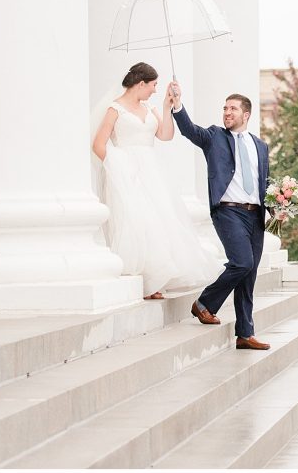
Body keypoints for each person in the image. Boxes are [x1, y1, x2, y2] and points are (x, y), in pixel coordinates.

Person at [92, 63, 224, 300]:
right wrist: (119, 166)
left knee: (159, 220)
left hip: (152, 172)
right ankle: (144, 279)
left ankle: (156, 278)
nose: (155, 90)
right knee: (138, 221)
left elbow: (165, 135)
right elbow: (99, 145)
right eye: (153, 85)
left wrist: (166, 106)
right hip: (125, 171)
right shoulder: (115, 109)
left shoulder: (150, 108)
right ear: (141, 83)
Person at [170, 81, 272, 350]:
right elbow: (190, 131)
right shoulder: (215, 137)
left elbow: (265, 181)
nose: (227, 112)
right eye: (225, 108)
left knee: (248, 274)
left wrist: (278, 207)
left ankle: (245, 334)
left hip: (255, 215)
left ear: (246, 114)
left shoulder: (260, 146)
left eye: (233, 108)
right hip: (228, 212)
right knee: (241, 263)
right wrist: (178, 104)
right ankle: (204, 303)